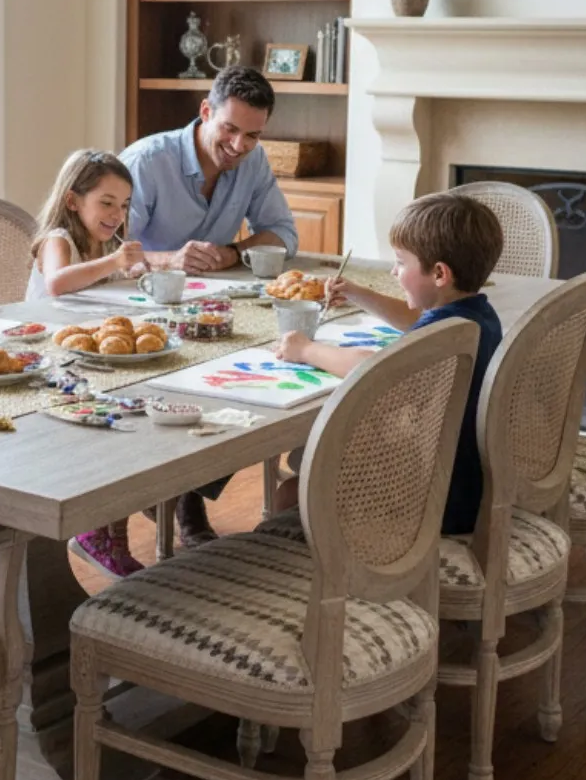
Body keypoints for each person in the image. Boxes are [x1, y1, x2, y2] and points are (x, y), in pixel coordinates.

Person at [120, 64, 299, 546]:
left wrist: (233, 252)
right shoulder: (146, 162)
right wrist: (166, 259)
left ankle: (186, 492)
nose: (240, 145)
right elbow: (107, 251)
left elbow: (284, 233)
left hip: (209, 312)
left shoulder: (252, 163)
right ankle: (180, 497)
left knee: (256, 379)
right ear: (205, 113)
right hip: (135, 308)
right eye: (230, 129)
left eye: (253, 135)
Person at [271, 192, 504, 536]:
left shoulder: (440, 335)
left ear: (439, 273)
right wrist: (355, 292)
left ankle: (311, 577)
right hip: (471, 485)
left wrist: (306, 349)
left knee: (293, 491)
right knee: (314, 462)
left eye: (401, 262)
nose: (394, 271)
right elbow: (417, 316)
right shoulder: (475, 315)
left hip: (438, 501)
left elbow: (375, 366)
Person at [28, 149, 149, 578]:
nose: (117, 214)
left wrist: (132, 272)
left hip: (89, 358)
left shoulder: (101, 244)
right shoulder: (58, 239)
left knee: (137, 409)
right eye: (107, 202)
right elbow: (58, 283)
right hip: (48, 362)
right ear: (73, 201)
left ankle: (111, 527)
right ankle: (98, 533)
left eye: (124, 205)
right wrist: (115, 263)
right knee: (114, 421)